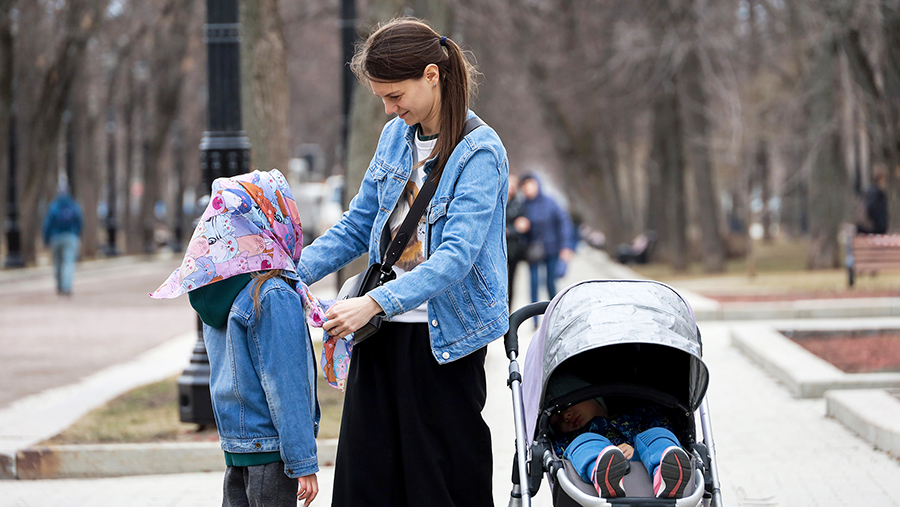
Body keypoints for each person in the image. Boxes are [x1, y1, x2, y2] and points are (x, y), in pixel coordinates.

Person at [296, 17, 509, 507]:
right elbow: (356, 225)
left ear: (431, 76)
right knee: (366, 482)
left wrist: (373, 302)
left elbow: (455, 258)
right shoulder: (396, 137)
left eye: (396, 96)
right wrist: (288, 274)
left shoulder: (480, 151)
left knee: (439, 484)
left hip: (444, 340)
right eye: (383, 99)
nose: (390, 109)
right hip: (380, 333)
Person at [150, 170, 322, 507]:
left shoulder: (217, 290)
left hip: (237, 449)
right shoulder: (271, 294)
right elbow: (285, 385)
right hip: (272, 453)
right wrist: (303, 461)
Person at [547, 373, 692, 500]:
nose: (566, 416)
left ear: (591, 395)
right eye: (557, 421)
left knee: (659, 434)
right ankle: (602, 473)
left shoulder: (638, 413)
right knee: (582, 444)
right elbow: (560, 456)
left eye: (567, 406)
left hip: (644, 457)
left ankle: (666, 472)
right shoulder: (570, 438)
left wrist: (635, 450)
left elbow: (667, 427)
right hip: (597, 464)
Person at [519, 174, 574, 304]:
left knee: (550, 282)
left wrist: (566, 246)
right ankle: (534, 318)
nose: (528, 189)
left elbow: (564, 223)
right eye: (525, 187)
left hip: (552, 248)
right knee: (533, 283)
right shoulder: (522, 206)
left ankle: (554, 312)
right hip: (533, 250)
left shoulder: (551, 202)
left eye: (531, 185)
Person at [42, 184, 83, 295]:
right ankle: (67, 287)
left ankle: (60, 286)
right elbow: (79, 221)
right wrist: (78, 235)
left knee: (57, 263)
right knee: (68, 263)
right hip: (71, 237)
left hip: (56, 238)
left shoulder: (53, 206)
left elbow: (47, 224)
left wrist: (45, 240)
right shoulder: (73, 205)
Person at [506, 174, 529, 304]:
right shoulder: (498, 202)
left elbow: (523, 226)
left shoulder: (518, 205)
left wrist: (510, 230)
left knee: (511, 283)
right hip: (498, 251)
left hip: (514, 251)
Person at [856, 169, 888, 235]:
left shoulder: (866, 192)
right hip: (874, 231)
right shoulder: (877, 194)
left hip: (865, 230)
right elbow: (872, 209)